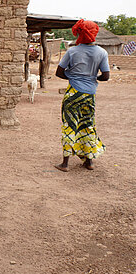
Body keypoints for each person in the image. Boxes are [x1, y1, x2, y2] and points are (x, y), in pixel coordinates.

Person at [54, 19, 110, 172]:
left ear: (79, 32)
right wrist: (92, 79)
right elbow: (105, 76)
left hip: (73, 93)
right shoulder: (102, 52)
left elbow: (59, 72)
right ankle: (89, 162)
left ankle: (65, 164)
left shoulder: (72, 51)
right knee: (88, 125)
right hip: (89, 95)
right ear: (94, 33)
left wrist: (73, 78)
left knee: (69, 125)